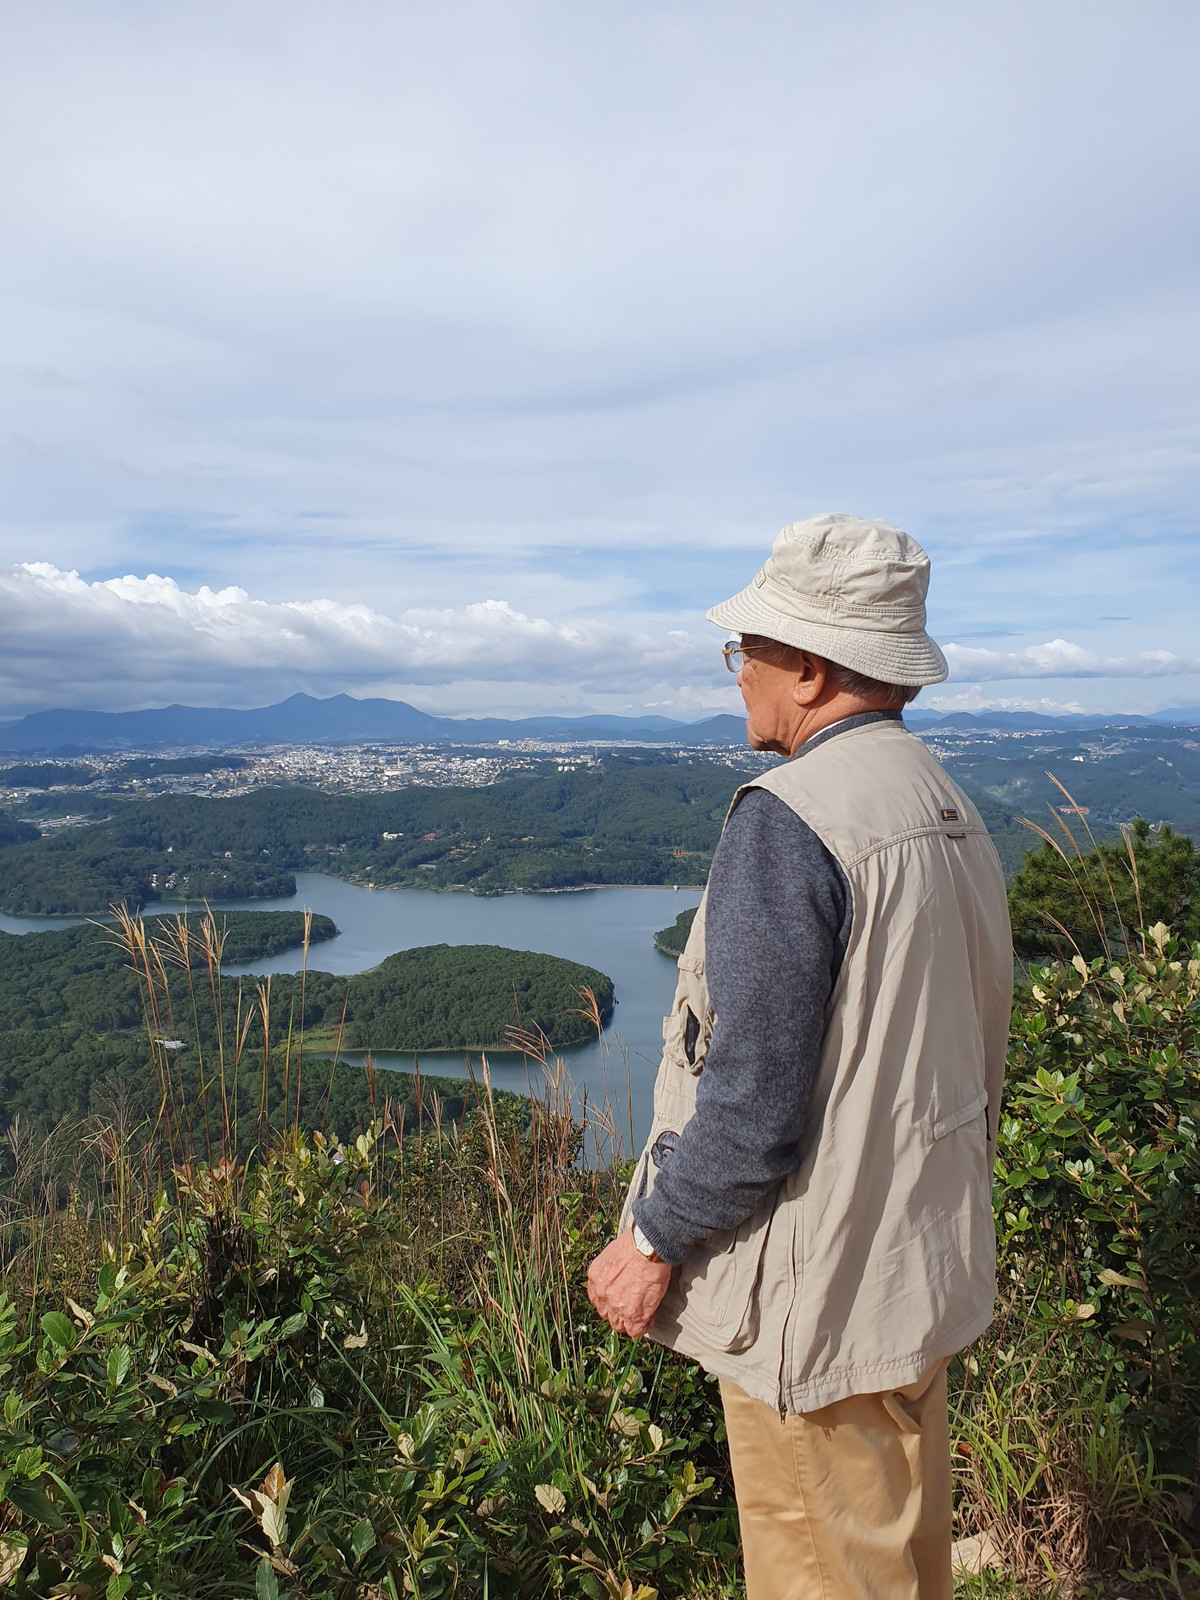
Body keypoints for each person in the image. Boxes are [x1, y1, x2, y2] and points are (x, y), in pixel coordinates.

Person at [587, 513, 1012, 1600]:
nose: (739, 678)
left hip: (817, 1314)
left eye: (751, 652)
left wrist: (651, 1241)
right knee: (901, 1570)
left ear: (811, 668)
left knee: (819, 1574)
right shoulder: (948, 808)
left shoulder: (791, 818)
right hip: (914, 1278)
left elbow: (755, 1099)